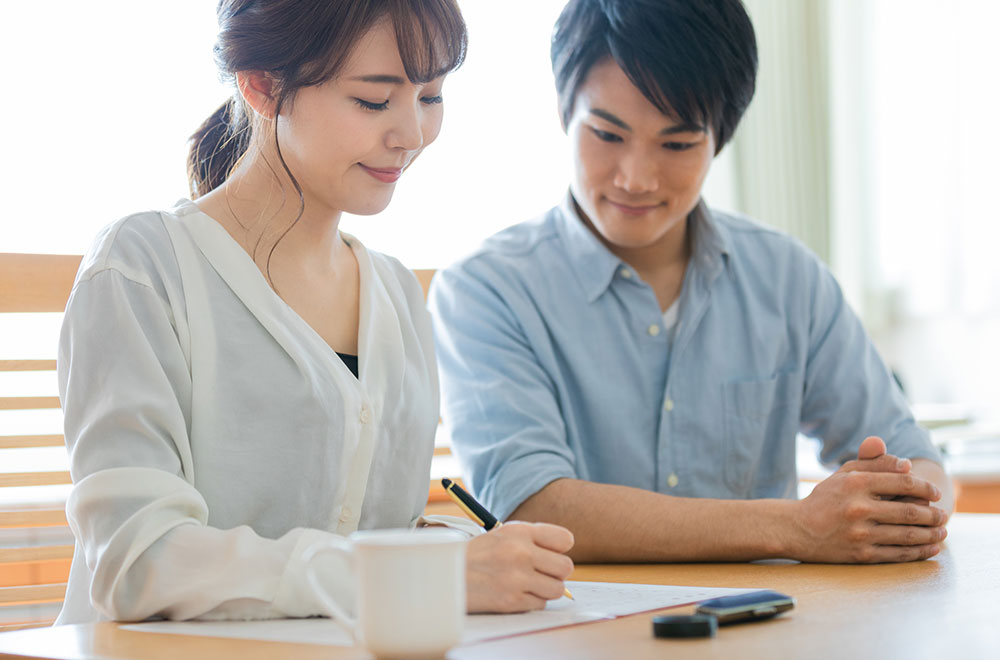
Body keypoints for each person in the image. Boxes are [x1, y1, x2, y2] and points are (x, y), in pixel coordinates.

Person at [55, 0, 573, 625]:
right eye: (374, 101)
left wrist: (461, 551)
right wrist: (422, 575)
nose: (410, 134)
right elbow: (136, 561)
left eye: (431, 97)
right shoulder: (143, 267)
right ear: (263, 87)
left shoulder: (396, 293)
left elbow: (381, 530)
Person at [429, 0, 952, 565]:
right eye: (607, 134)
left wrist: (903, 507)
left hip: (771, 632)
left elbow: (916, 460)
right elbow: (533, 505)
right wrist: (796, 527)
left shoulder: (787, 278)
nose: (636, 177)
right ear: (563, 113)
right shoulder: (484, 290)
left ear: (720, 139)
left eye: (676, 145)